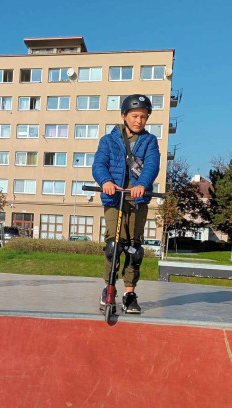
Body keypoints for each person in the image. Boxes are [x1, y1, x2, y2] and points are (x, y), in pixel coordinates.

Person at [92, 94, 160, 314]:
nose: (139, 120)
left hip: (137, 199)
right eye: (135, 116)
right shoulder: (109, 140)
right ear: (124, 116)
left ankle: (129, 293)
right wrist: (106, 181)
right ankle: (108, 288)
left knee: (134, 249)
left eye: (143, 116)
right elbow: (99, 164)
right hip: (115, 198)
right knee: (114, 245)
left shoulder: (149, 142)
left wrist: (143, 183)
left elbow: (152, 166)